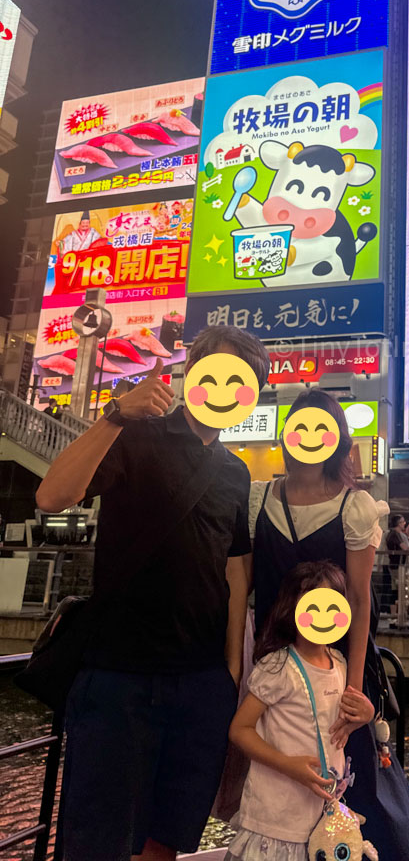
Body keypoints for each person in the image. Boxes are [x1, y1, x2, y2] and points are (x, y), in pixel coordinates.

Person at [35, 324, 270, 861]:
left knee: (169, 835)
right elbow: (52, 495)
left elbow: (237, 569)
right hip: (119, 674)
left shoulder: (235, 472)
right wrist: (116, 413)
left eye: (242, 382)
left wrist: (230, 669)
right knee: (98, 837)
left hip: (200, 680)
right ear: (191, 377)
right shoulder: (135, 434)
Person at [248, 388, 409, 860]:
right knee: (281, 785)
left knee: (356, 790)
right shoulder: (258, 499)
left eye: (323, 428)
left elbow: (358, 601)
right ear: (286, 434)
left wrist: (354, 690)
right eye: (302, 426)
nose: (311, 437)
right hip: (276, 665)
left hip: (337, 669)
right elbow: (244, 588)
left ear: (339, 440)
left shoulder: (354, 506)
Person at [226, 560, 372, 861]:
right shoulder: (279, 667)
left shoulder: (340, 665)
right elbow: (239, 729)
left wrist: (366, 714)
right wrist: (287, 764)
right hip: (275, 817)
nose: (323, 618)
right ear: (293, 609)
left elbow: (343, 718)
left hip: (318, 820)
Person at [385, 514, 409, 626]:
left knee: (396, 590)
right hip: (397, 566)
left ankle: (395, 616)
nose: (404, 524)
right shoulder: (395, 534)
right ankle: (395, 616)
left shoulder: (393, 534)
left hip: (396, 565)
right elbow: (404, 547)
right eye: (403, 522)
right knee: (397, 590)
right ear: (398, 523)